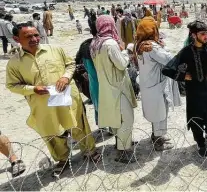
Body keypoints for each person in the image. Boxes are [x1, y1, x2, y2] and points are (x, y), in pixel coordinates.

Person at [6, 23, 100, 177]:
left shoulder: (55, 50)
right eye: (28, 36)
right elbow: (12, 85)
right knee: (52, 132)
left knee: (77, 124)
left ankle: (90, 150)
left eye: (36, 35)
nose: (35, 39)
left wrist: (65, 77)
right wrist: (33, 89)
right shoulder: (15, 63)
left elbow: (70, 65)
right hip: (42, 103)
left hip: (66, 96)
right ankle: (62, 159)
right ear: (17, 38)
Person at [163, 21, 207, 157]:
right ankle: (200, 143)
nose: (206, 36)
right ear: (194, 35)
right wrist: (183, 76)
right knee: (196, 118)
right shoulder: (186, 52)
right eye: (203, 34)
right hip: (193, 91)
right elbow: (167, 69)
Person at [90, 15, 137, 163]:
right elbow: (122, 64)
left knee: (117, 119)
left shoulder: (95, 43)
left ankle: (122, 142)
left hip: (106, 86)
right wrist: (127, 51)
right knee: (127, 119)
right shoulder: (110, 44)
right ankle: (123, 152)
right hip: (118, 87)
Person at [136, 17, 180, 151]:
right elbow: (169, 59)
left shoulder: (140, 44)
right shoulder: (152, 47)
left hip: (148, 84)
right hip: (156, 85)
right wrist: (163, 46)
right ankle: (158, 141)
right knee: (159, 112)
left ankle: (156, 135)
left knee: (155, 112)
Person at [75, 22, 99, 125]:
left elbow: (76, 60)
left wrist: (84, 72)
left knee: (97, 102)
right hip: (102, 80)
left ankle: (102, 125)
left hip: (91, 81)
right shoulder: (102, 45)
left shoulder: (85, 44)